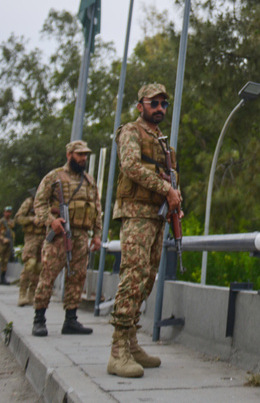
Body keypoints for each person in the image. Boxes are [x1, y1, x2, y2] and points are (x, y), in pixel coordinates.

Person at [106, 83, 182, 379]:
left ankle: (132, 342)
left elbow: (172, 177)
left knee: (147, 278)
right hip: (136, 215)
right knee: (133, 275)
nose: (160, 108)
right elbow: (130, 167)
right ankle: (117, 351)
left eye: (163, 103)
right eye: (154, 103)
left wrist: (176, 200)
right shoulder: (131, 132)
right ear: (141, 106)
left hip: (157, 216)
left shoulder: (162, 141)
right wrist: (166, 188)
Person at [31, 140, 102, 337]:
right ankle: (39, 319)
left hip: (81, 235)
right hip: (60, 234)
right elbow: (39, 203)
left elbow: (97, 209)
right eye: (79, 154)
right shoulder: (54, 177)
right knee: (48, 276)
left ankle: (71, 320)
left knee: (77, 277)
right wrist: (51, 221)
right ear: (69, 155)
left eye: (85, 155)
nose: (83, 158)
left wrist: (97, 235)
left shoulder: (89, 180)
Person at [15, 188, 44, 306]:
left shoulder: (50, 203)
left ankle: (31, 295)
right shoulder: (29, 202)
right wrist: (32, 219)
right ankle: (22, 294)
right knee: (30, 263)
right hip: (31, 237)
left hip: (45, 237)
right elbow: (18, 218)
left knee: (39, 267)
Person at [0, 206, 14, 285]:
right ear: (4, 212)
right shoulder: (0, 221)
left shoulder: (11, 222)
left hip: (8, 244)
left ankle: (3, 278)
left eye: (9, 212)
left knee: (5, 261)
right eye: (7, 212)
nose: (8, 213)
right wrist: (2, 238)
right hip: (1, 244)